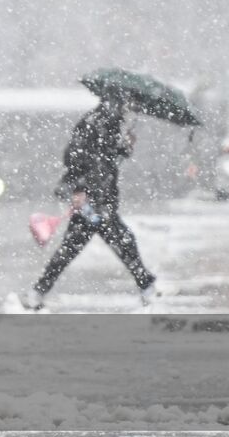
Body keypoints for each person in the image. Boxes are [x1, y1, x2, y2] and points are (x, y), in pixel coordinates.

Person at [22, 97, 155, 310]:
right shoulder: (97, 122)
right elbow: (74, 156)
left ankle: (38, 290)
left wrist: (125, 147)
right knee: (120, 241)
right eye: (130, 105)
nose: (132, 110)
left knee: (96, 244)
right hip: (93, 199)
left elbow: (107, 159)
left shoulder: (109, 123)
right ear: (118, 103)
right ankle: (147, 285)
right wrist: (80, 188)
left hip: (102, 197)